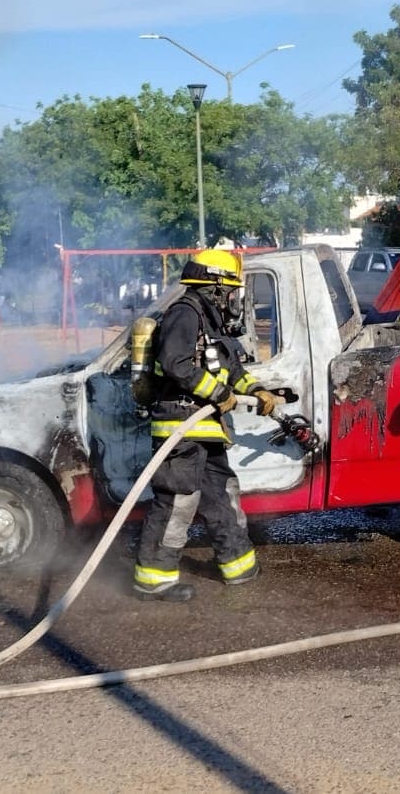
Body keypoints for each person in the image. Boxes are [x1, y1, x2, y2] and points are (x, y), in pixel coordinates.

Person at [133, 248, 283, 603]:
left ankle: (237, 564)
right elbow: (175, 363)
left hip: (207, 430)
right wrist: (218, 393)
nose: (234, 298)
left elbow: (232, 371)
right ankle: (153, 579)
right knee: (177, 502)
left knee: (222, 494)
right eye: (230, 290)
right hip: (181, 428)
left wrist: (257, 391)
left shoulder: (211, 323)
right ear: (214, 287)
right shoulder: (184, 313)